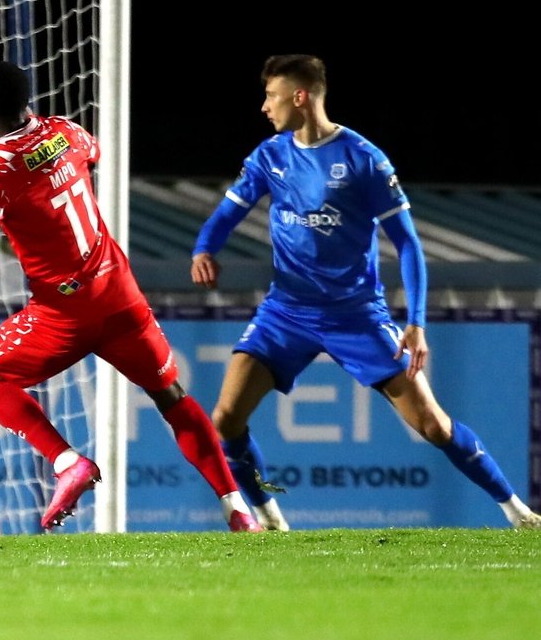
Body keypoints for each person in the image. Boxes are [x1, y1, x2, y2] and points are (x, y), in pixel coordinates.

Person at [191, 53, 540, 531]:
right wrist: (204, 248)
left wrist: (415, 323)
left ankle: (517, 513)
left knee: (433, 425)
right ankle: (271, 521)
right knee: (226, 418)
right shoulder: (270, 156)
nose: (264, 107)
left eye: (271, 96)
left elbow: (408, 245)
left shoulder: (363, 159)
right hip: (286, 312)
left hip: (356, 315)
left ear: (301, 97)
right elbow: (227, 213)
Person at [0, 61, 260, 532]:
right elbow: (91, 152)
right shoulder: (68, 132)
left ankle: (65, 462)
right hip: (120, 297)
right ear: (27, 104)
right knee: (171, 396)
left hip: (63, 312)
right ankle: (238, 508)